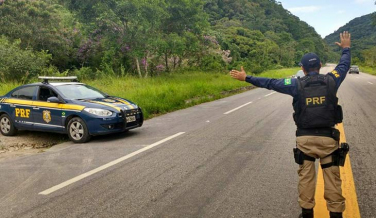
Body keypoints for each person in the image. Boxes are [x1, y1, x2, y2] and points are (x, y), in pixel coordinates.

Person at [229, 31, 351, 218]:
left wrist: (247, 77)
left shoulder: (295, 84)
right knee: (333, 179)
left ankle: (307, 213)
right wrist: (346, 48)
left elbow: (270, 83)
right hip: (328, 140)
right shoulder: (331, 79)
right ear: (320, 66)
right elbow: (344, 66)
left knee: (306, 178)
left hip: (305, 141)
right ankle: (336, 214)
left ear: (302, 69)